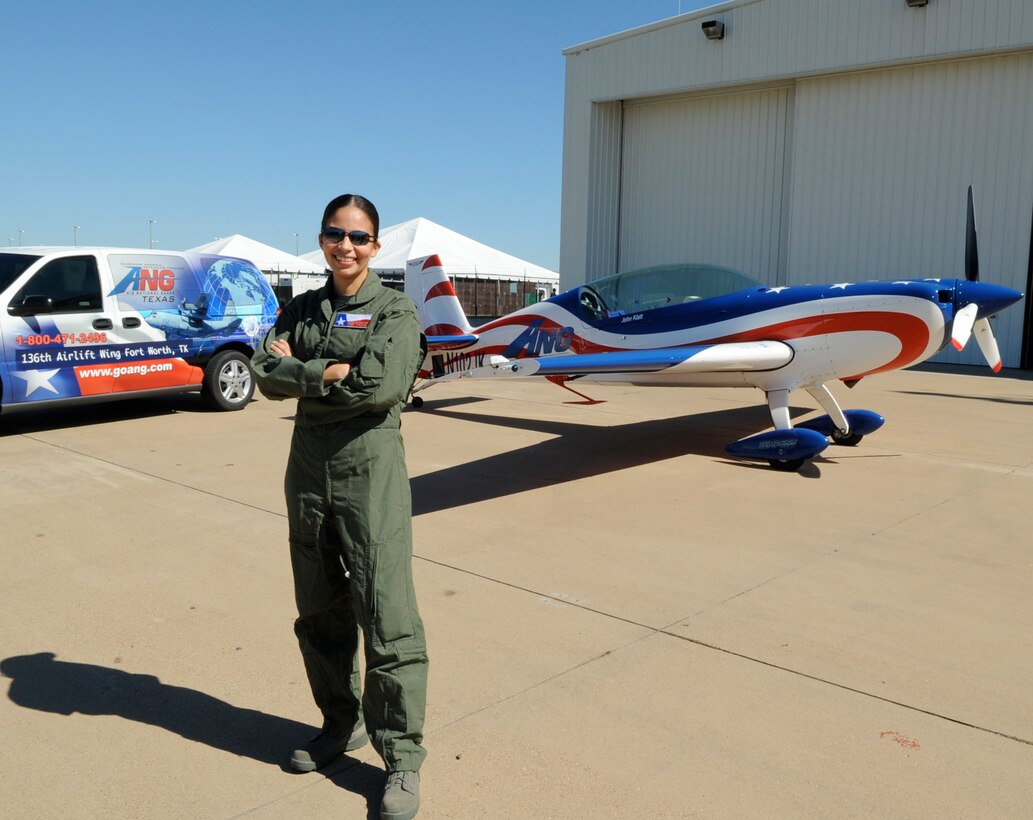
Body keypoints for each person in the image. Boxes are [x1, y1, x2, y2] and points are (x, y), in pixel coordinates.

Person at [251, 194, 428, 820]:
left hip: (369, 474)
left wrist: (301, 370)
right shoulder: (301, 307)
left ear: (375, 246)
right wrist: (327, 374)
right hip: (307, 476)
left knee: (386, 615)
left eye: (357, 236)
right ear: (322, 240)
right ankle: (339, 723)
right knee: (319, 610)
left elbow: (378, 387)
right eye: (334, 234)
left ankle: (401, 759)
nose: (345, 246)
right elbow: (258, 371)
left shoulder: (395, 311)